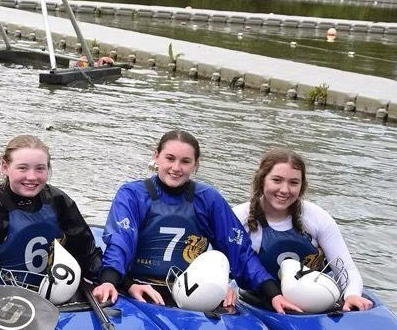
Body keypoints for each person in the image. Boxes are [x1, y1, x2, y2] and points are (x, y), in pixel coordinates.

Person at [95, 130, 283, 310]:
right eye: (170, 158)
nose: (176, 168)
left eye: (185, 161)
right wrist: (111, 282)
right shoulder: (132, 194)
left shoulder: (208, 199)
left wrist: (272, 293)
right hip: (138, 286)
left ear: (195, 164)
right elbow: (121, 241)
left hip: (191, 290)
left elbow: (238, 250)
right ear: (156, 156)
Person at [0, 134, 101, 299]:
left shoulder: (59, 201)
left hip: (52, 296)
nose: (32, 177)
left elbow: (87, 253)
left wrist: (109, 281)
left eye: (40, 168)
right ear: (4, 167)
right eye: (22, 168)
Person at [233, 148, 370, 311]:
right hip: (257, 302)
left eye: (293, 183)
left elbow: (346, 269)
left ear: (301, 185)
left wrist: (352, 293)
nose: (284, 190)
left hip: (314, 302)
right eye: (277, 180)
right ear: (262, 180)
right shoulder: (238, 218)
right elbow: (219, 264)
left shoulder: (317, 217)